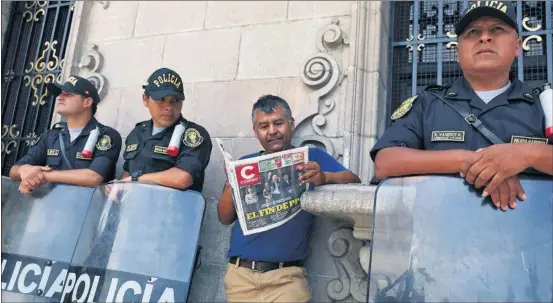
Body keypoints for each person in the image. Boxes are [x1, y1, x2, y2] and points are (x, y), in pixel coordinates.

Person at [370, 1, 553, 212]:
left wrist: (529, 155)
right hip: (440, 236)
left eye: (497, 29)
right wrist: (470, 160)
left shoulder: (545, 104)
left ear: (517, 47)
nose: (485, 37)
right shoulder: (429, 102)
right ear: (457, 52)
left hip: (528, 238)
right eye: (473, 32)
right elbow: (386, 163)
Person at [217, 94, 361, 302]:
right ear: (255, 131)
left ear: (291, 125)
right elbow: (224, 217)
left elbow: (354, 180)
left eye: (278, 123)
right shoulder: (245, 165)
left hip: (287, 280)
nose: (272, 131)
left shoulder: (311, 157)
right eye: (264, 126)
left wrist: (324, 177)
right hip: (241, 277)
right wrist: (232, 182)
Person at [9, 76, 122, 193]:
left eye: (68, 94)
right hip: (50, 205)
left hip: (88, 208)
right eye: (60, 94)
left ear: (87, 102)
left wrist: (42, 175)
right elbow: (13, 170)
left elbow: (93, 177)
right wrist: (24, 170)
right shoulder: (51, 135)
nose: (60, 98)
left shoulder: (106, 136)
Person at [108, 68, 212, 192]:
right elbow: (128, 171)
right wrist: (119, 185)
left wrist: (135, 179)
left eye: (175, 101)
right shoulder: (137, 133)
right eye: (161, 100)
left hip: (170, 208)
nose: (168, 107)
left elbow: (183, 178)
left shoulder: (193, 134)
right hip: (133, 206)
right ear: (145, 100)